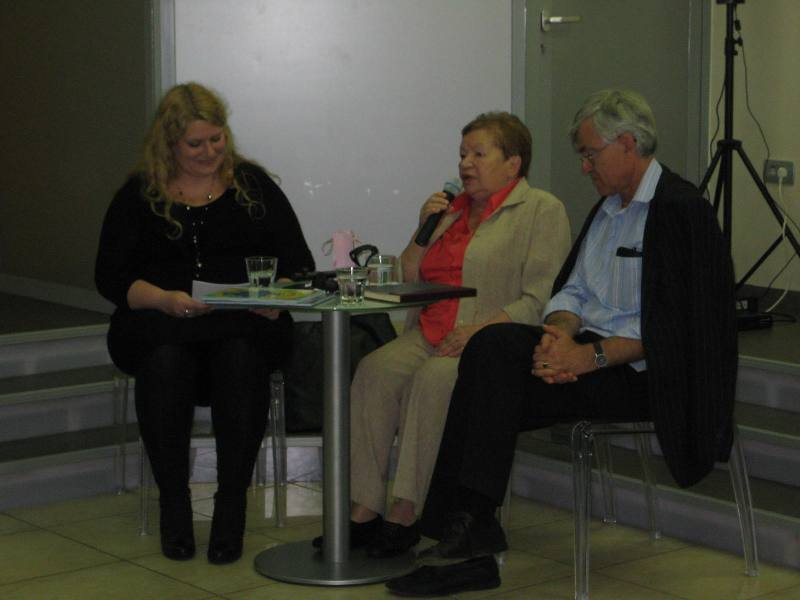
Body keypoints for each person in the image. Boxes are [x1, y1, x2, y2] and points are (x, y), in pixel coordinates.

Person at [387, 89, 737, 596]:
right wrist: (560, 335)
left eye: (591, 154)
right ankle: (469, 532)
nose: (584, 166)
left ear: (628, 143)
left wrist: (589, 356)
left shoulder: (681, 210)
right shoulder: (607, 210)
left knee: (491, 385)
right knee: (491, 351)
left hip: (643, 374)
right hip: (586, 354)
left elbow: (681, 327)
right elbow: (571, 290)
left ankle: (466, 537)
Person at [313, 112, 571, 558]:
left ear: (513, 163)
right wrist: (424, 229)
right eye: (462, 154)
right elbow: (409, 277)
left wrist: (479, 331)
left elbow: (540, 298)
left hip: (489, 340)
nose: (465, 164)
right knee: (374, 371)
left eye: (478, 154)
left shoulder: (541, 210)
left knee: (432, 382)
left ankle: (405, 514)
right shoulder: (450, 212)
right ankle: (364, 511)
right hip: (432, 331)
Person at [95, 82, 314, 564]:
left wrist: (275, 299)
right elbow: (110, 277)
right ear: (169, 143)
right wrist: (163, 299)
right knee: (166, 361)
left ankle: (231, 505)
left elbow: (298, 264)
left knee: (241, 356)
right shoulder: (139, 194)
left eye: (217, 139)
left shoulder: (253, 186)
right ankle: (174, 503)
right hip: (160, 324)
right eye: (195, 144)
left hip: (245, 324)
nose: (209, 152)